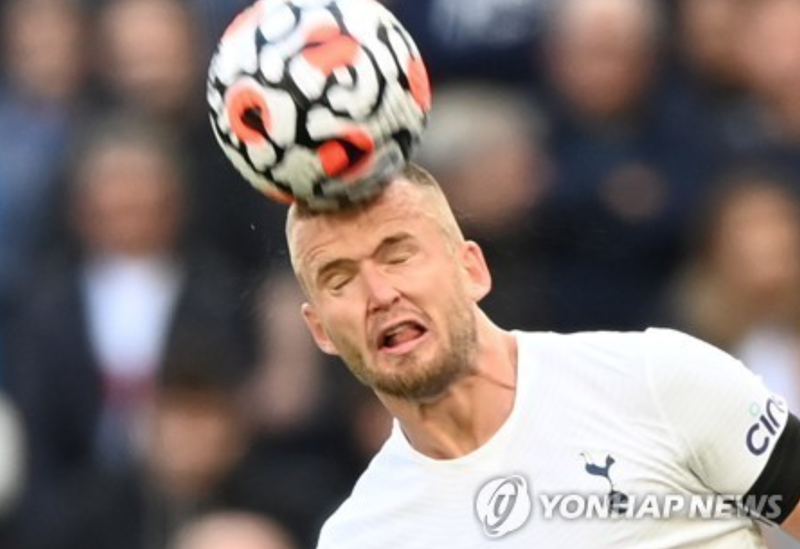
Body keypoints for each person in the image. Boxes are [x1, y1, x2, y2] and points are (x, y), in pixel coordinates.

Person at [284, 162, 800, 547]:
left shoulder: (656, 379)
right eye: (339, 280)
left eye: (399, 255)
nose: (379, 294)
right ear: (320, 330)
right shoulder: (362, 537)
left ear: (472, 270)